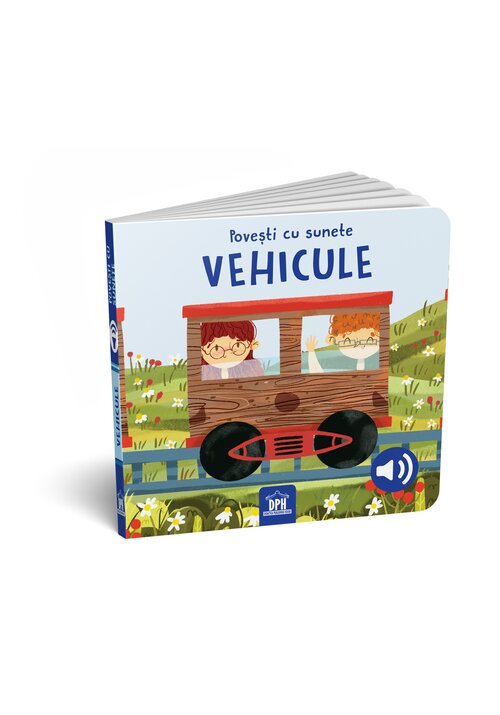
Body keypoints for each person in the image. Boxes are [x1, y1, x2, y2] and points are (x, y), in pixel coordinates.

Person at [306, 312, 380, 372]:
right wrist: (311, 352)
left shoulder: (375, 362)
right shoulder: (337, 364)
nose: (361, 347)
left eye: (370, 340)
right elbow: (318, 375)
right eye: (348, 341)